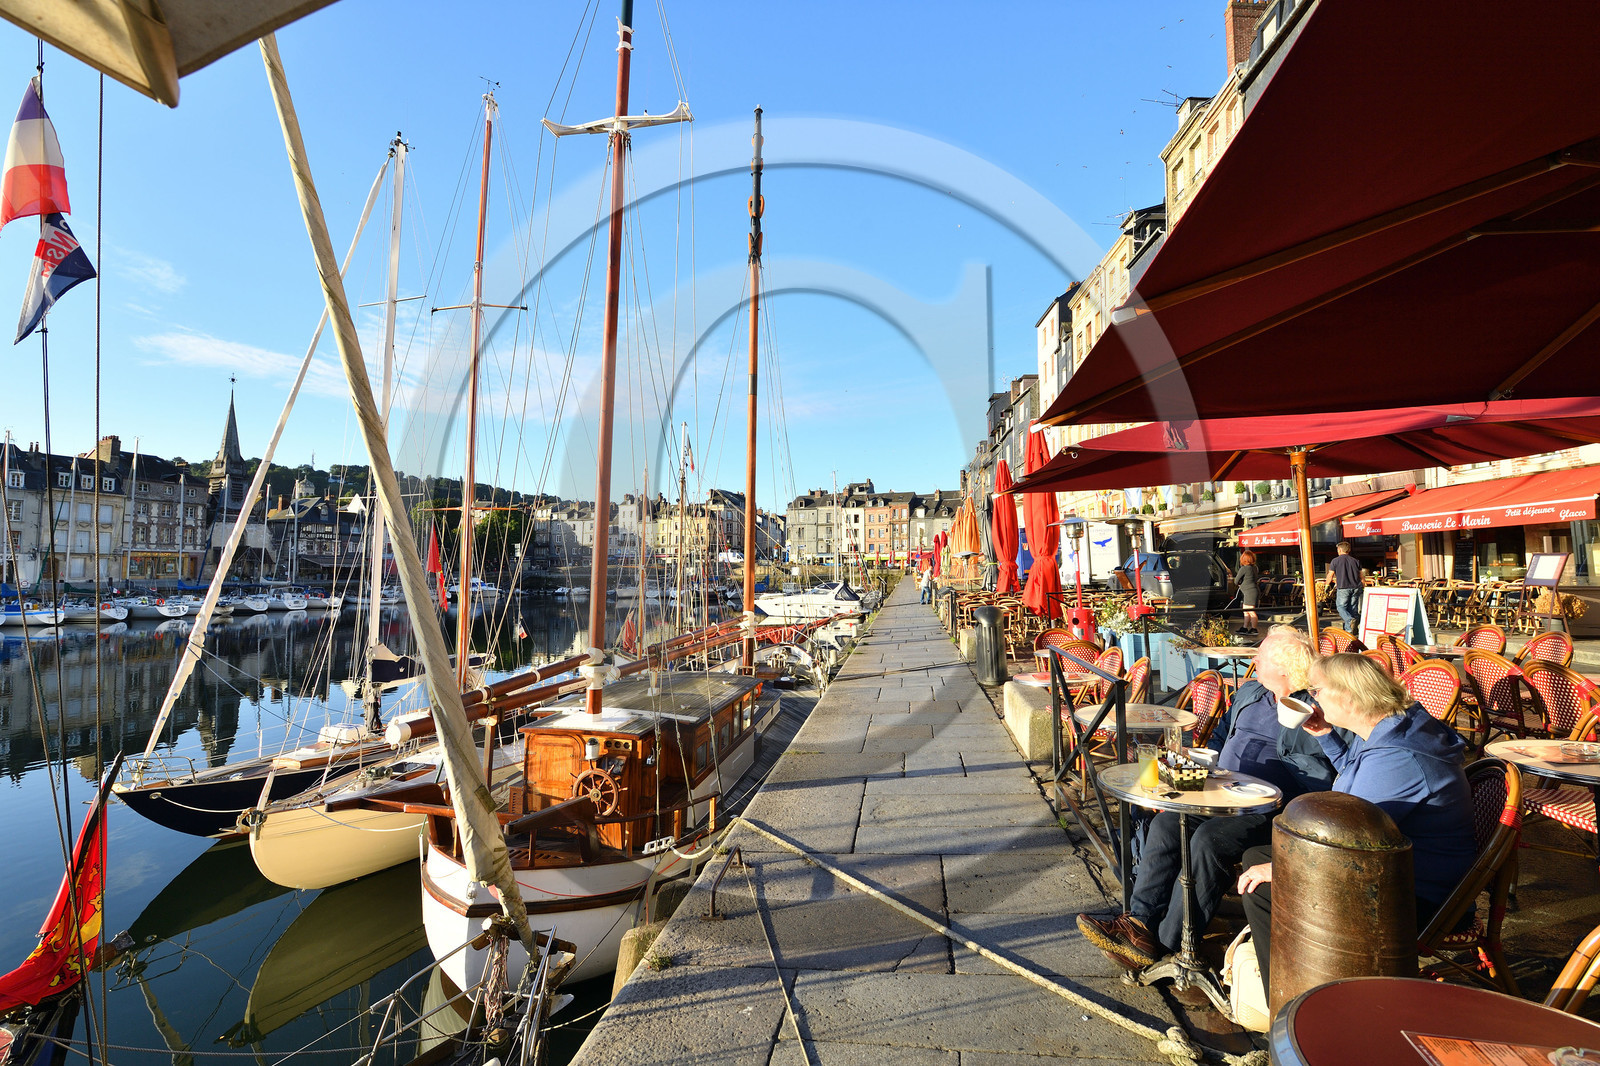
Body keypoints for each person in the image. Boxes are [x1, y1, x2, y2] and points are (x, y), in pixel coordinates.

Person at [1076, 627, 1338, 972]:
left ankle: (1168, 944)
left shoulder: (1315, 711)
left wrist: (1318, 733)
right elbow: (1220, 732)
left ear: (1284, 669)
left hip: (1273, 809)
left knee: (1207, 841)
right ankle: (1138, 924)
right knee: (1168, 823)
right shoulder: (1251, 692)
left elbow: (1330, 773)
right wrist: (1202, 759)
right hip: (1220, 790)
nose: (1254, 659)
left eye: (1261, 655)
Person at [1236, 653, 1476, 992]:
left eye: (1317, 690)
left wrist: (1283, 871)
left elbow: (1350, 835)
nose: (1312, 698)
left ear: (1347, 696)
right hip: (1401, 869)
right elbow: (1355, 770)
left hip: (1415, 896)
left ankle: (1290, 1000)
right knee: (1257, 858)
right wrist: (1325, 734)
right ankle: (1304, 968)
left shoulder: (1398, 756)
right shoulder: (1397, 727)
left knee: (1264, 888)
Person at [1326, 541, 1363, 630]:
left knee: (1341, 607)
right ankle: (1351, 631)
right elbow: (1361, 576)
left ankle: (1349, 620)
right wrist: (1363, 586)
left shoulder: (1335, 561)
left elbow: (1330, 575)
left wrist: (1326, 585)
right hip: (1356, 587)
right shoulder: (1356, 561)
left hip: (1343, 587)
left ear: (1340, 549)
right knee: (1353, 609)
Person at [1235, 550, 1260, 636]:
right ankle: (1245, 628)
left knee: (1250, 611)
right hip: (1253, 590)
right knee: (1246, 611)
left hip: (1248, 592)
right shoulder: (1255, 568)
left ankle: (1254, 629)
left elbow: (1236, 581)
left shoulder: (1244, 568)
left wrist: (1239, 584)